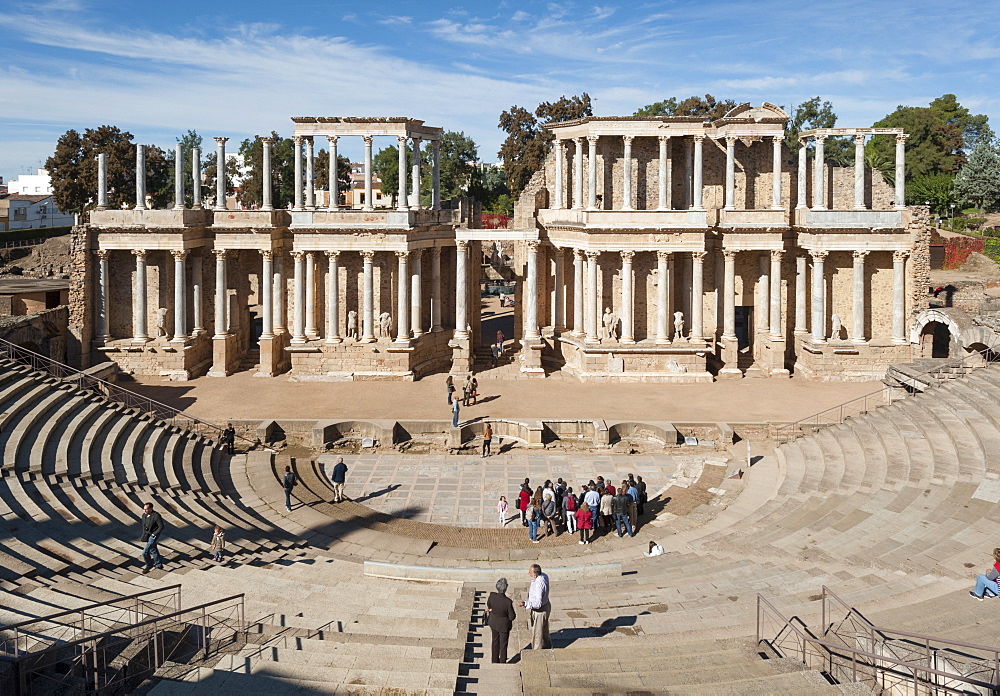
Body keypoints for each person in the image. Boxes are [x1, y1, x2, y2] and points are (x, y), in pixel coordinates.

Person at [519, 564, 551, 650]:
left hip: (540, 611)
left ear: (535, 575)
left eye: (530, 572)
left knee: (537, 633)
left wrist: (525, 604)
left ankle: (537, 653)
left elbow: (538, 604)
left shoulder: (538, 584)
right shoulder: (544, 576)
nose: (528, 573)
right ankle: (547, 646)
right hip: (546, 605)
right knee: (544, 629)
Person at [486, 577, 516, 663]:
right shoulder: (508, 602)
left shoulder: (492, 595)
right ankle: (502, 660)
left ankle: (494, 660)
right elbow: (512, 617)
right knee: (503, 644)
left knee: (495, 641)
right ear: (506, 588)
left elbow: (489, 605)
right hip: (504, 625)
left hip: (493, 622)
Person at [140, 502, 165, 573]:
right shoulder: (144, 515)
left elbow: (161, 526)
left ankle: (149, 565)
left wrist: (154, 533)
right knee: (153, 549)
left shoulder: (156, 516)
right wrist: (144, 535)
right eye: (144, 509)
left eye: (146, 509)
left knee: (145, 552)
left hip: (153, 535)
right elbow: (144, 526)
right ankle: (158, 564)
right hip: (147, 534)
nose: (144, 511)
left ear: (151, 509)